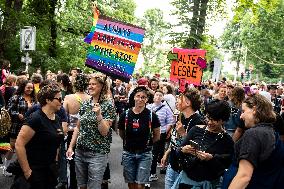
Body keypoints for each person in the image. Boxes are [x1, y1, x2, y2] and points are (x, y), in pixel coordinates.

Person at [66, 73, 116, 189]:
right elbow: (78, 127)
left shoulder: (108, 105)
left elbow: (104, 132)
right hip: (80, 151)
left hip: (97, 154)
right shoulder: (85, 104)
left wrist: (99, 115)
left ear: (102, 87)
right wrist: (70, 147)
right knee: (81, 186)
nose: (90, 86)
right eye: (89, 84)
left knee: (93, 187)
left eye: (94, 84)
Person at [171, 99, 234, 188]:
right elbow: (178, 152)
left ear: (223, 120)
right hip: (186, 181)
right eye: (208, 117)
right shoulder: (196, 130)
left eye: (214, 120)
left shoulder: (227, 140)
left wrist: (211, 158)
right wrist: (183, 150)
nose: (209, 122)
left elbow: (226, 165)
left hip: (209, 184)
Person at [228, 94, 284, 188]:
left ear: (254, 110)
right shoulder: (270, 132)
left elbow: (244, 176)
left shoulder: (253, 134)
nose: (241, 116)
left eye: (243, 111)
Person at [14, 83, 64, 189]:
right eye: (59, 99)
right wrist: (27, 172)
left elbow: (56, 142)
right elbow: (19, 144)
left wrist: (55, 162)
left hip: (49, 170)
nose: (62, 101)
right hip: (34, 170)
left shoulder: (57, 118)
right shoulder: (35, 118)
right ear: (48, 100)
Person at [161, 88, 205, 189]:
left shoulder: (199, 121)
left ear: (188, 103)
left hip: (185, 169)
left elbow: (198, 148)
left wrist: (183, 133)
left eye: (180, 99)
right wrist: (167, 153)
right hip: (172, 163)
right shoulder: (180, 117)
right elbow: (174, 139)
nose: (177, 101)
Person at [118, 86, 161, 189]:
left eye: (143, 97)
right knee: (131, 182)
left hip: (145, 153)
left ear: (146, 99)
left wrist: (146, 143)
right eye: (138, 96)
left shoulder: (152, 116)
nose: (140, 99)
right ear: (134, 97)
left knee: (140, 184)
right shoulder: (125, 114)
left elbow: (157, 136)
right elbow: (121, 133)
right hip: (128, 152)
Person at [63, 74, 90, 189]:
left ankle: (73, 186)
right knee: (87, 162)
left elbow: (64, 116)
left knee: (72, 162)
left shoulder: (69, 98)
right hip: (86, 133)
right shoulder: (90, 98)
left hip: (71, 132)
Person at [4, 80, 37, 176]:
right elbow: (8, 111)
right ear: (23, 87)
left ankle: (21, 167)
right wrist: (17, 114)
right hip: (16, 126)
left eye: (31, 88)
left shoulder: (34, 99)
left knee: (25, 148)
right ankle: (6, 167)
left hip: (29, 128)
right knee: (12, 147)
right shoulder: (16, 98)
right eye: (28, 87)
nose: (30, 89)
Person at [147, 90, 175, 182]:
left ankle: (152, 173)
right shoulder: (148, 107)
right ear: (153, 97)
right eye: (156, 95)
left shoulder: (166, 108)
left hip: (160, 134)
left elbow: (170, 121)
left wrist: (166, 133)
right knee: (147, 152)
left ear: (162, 98)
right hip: (148, 134)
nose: (158, 97)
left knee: (154, 153)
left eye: (160, 95)